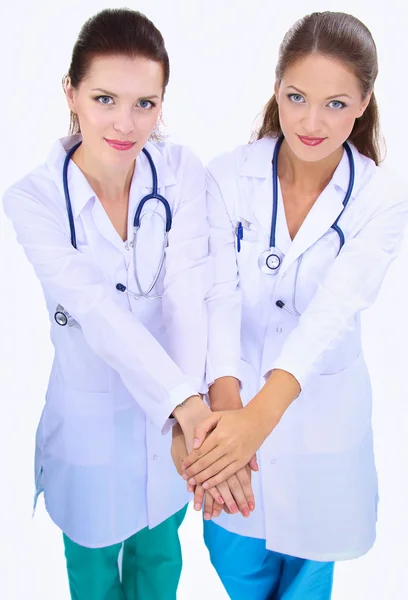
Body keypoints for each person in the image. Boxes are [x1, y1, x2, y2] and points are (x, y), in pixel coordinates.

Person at [181, 11, 408, 599]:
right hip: (228, 420)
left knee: (308, 583)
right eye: (297, 96)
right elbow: (218, 294)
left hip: (319, 424)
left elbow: (333, 313)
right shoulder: (229, 175)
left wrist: (257, 421)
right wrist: (229, 415)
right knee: (239, 573)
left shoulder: (380, 199)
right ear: (277, 88)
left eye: (336, 103)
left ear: (363, 104)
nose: (311, 121)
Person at [3, 8, 220, 600]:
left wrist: (189, 411)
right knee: (94, 576)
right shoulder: (34, 200)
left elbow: (187, 295)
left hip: (176, 430)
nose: (125, 123)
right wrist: (183, 403)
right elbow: (96, 310)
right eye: (105, 98)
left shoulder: (178, 171)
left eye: (145, 104)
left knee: (160, 561)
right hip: (90, 430)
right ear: (71, 93)